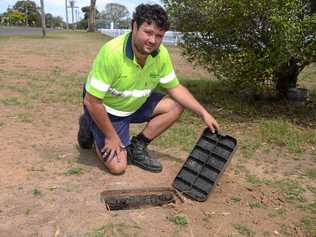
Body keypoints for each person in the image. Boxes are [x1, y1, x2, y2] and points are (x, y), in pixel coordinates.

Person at [77, 4, 219, 175]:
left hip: (134, 105)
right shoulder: (112, 53)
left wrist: (203, 113)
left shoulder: (161, 55)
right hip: (106, 110)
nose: (153, 40)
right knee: (118, 167)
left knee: (175, 105)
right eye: (148, 32)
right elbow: (92, 101)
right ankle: (90, 125)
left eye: (159, 35)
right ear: (134, 26)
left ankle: (138, 146)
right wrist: (111, 136)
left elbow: (175, 88)